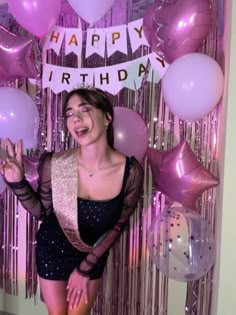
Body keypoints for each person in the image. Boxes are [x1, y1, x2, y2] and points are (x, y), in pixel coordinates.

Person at [0, 87, 144, 315]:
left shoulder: (131, 171)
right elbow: (44, 213)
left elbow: (118, 225)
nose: (75, 119)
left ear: (107, 117)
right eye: (69, 113)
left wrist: (85, 269)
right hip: (52, 251)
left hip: (91, 256)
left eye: (85, 110)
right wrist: (18, 183)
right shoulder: (55, 164)